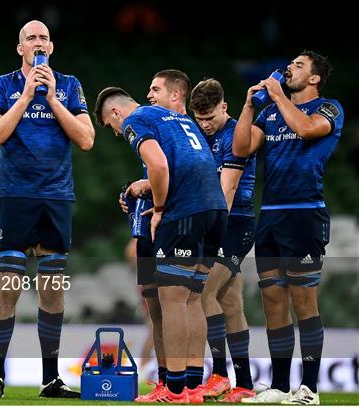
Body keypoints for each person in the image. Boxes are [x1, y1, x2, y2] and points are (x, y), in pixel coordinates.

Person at [0, 20, 94, 398]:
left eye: (43, 37)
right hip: (14, 194)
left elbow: (86, 139)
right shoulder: (3, 85)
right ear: (20, 48)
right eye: (31, 38)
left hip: (56, 196)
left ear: (51, 47)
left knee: (52, 288)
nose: (38, 43)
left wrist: (54, 99)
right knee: (9, 281)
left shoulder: (71, 84)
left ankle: (51, 379)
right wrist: (27, 97)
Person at [95, 86, 227, 403]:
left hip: (184, 213)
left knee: (172, 302)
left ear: (115, 112)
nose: (116, 132)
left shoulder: (136, 120)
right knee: (193, 299)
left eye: (111, 127)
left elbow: (159, 166)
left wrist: (159, 209)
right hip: (215, 210)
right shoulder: (175, 118)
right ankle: (193, 387)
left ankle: (175, 389)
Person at [233, 50, 343, 405]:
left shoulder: (328, 109)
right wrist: (249, 107)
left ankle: (308, 389)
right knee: (272, 300)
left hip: (304, 214)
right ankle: (280, 386)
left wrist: (278, 95)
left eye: (298, 66)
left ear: (314, 78)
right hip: (271, 215)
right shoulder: (269, 113)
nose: (288, 70)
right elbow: (241, 147)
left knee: (303, 300)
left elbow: (307, 129)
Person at [189, 79, 256, 402]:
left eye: (210, 118)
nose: (205, 125)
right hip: (216, 221)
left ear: (224, 108)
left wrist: (212, 230)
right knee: (230, 302)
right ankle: (243, 383)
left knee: (204, 293)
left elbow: (227, 189)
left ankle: (218, 375)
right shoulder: (199, 134)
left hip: (234, 221)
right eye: (199, 119)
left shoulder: (236, 134)